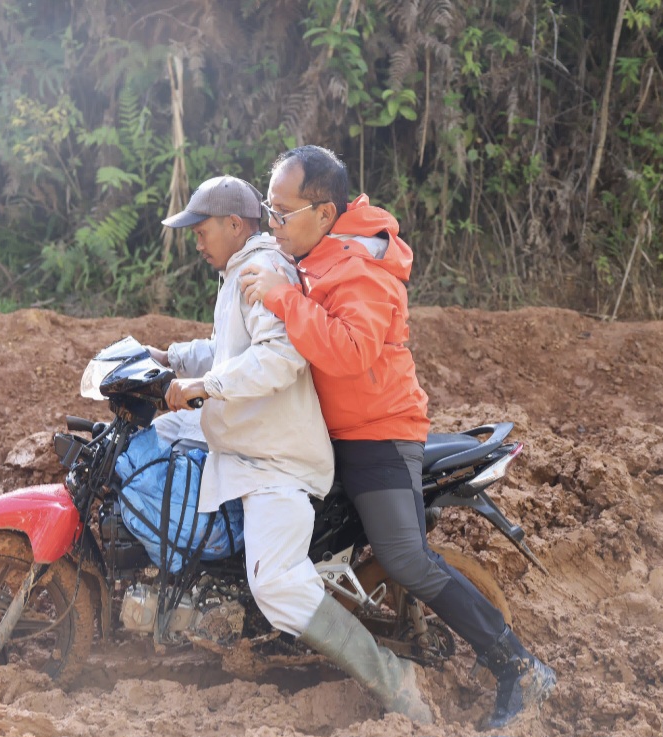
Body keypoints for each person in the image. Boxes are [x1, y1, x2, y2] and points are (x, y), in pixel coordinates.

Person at [239, 145, 556, 730]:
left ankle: (521, 667)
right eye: (267, 208)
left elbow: (353, 352)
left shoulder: (358, 269)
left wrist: (282, 300)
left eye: (281, 212)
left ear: (326, 212)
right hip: (334, 434)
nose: (272, 222)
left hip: (377, 437)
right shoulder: (317, 257)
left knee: (406, 558)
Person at [147, 174, 434, 724]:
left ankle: (389, 676)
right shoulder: (239, 270)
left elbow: (279, 358)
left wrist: (203, 387)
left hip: (275, 461)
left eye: (202, 230)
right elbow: (230, 348)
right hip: (249, 448)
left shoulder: (264, 269)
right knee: (168, 440)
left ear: (235, 225)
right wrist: (169, 359)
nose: (197, 242)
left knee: (275, 584)